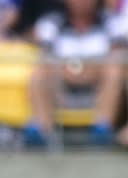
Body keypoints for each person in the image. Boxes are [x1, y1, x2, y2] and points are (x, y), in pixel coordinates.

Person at [24, 0, 127, 146]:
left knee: (115, 68)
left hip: (100, 89)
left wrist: (83, 71)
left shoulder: (111, 21)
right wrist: (77, 71)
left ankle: (102, 130)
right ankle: (41, 130)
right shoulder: (51, 22)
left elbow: (118, 55)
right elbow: (45, 56)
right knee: (40, 71)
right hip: (61, 88)